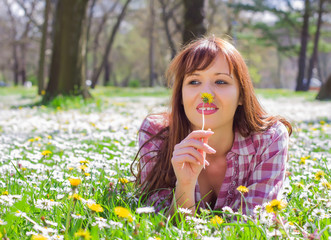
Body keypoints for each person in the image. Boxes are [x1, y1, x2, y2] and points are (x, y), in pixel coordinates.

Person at [131, 36, 292, 216]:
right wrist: (184, 185)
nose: (206, 93)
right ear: (180, 96)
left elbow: (256, 222)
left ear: (241, 95)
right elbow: (160, 224)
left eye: (221, 82)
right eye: (194, 81)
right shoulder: (157, 134)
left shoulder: (269, 139)